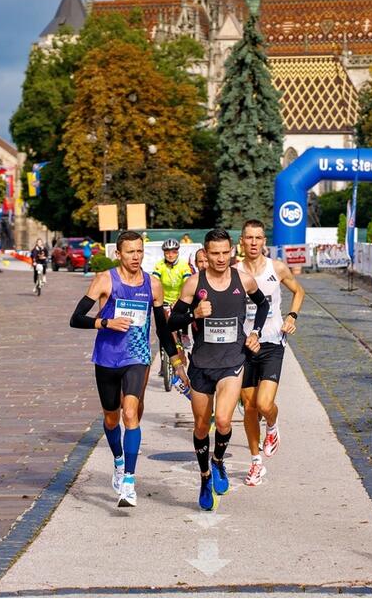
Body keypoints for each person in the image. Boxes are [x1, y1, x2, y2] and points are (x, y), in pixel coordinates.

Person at [69, 231, 178, 508]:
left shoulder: (152, 285)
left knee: (131, 413)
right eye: (130, 252)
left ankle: (129, 481)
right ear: (118, 254)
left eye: (139, 251)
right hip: (106, 359)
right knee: (110, 418)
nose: (135, 257)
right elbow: (76, 319)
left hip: (137, 357)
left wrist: (175, 357)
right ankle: (118, 460)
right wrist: (106, 323)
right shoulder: (105, 280)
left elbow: (162, 326)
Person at [168, 228, 270, 511]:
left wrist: (256, 332)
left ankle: (218, 462)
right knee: (202, 426)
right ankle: (204, 476)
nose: (221, 258)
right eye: (215, 253)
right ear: (206, 253)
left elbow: (263, 305)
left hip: (232, 362)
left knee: (223, 422)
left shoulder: (243, 279)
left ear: (231, 252)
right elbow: (171, 322)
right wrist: (193, 314)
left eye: (226, 252)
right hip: (201, 365)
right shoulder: (193, 284)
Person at [237, 219, 305, 486]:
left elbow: (299, 291)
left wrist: (292, 315)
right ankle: (255, 464)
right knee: (250, 407)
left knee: (264, 405)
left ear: (264, 241)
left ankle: (273, 427)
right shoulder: (234, 272)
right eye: (249, 238)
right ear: (241, 241)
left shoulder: (276, 268)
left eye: (258, 238)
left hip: (272, 341)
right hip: (244, 345)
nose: (254, 243)